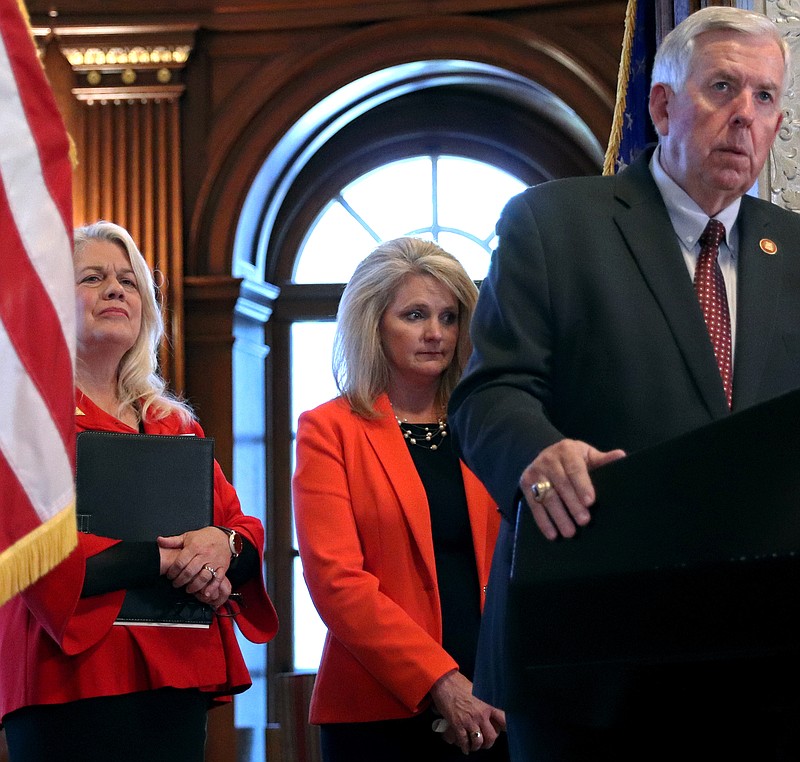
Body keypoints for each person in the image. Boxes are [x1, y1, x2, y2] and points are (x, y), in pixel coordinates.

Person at [448, 7, 800, 762]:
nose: (745, 116)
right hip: (593, 653)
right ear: (665, 104)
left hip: (765, 660)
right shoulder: (554, 225)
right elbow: (488, 395)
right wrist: (538, 459)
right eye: (724, 87)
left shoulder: (795, 250)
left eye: (765, 97)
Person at [0, 221, 278, 761]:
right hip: (69, 672)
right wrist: (167, 558)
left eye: (129, 281)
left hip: (175, 669)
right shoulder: (25, 421)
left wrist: (222, 549)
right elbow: (30, 551)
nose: (116, 289)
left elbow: (238, 527)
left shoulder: (173, 423)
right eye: (93, 277)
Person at [292, 237, 508, 761]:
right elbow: (336, 582)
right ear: (374, 324)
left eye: (449, 317)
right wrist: (441, 681)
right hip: (379, 711)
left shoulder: (488, 423)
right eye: (415, 315)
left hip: (497, 701)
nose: (436, 333)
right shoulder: (329, 429)